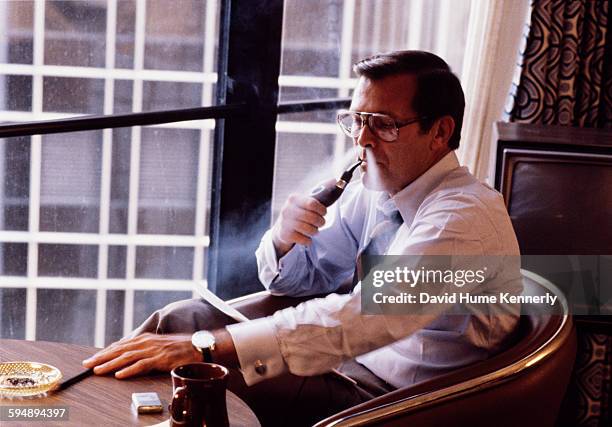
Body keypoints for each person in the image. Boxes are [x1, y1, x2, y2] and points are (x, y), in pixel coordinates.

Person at [83, 50, 522, 426]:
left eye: (383, 125)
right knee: (178, 319)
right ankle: (78, 396)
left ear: (440, 132)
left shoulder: (463, 218)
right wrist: (285, 240)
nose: (362, 140)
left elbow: (364, 315)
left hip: (390, 400)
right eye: (357, 121)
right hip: (347, 365)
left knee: (197, 366)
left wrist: (205, 345)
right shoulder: (379, 187)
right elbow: (298, 281)